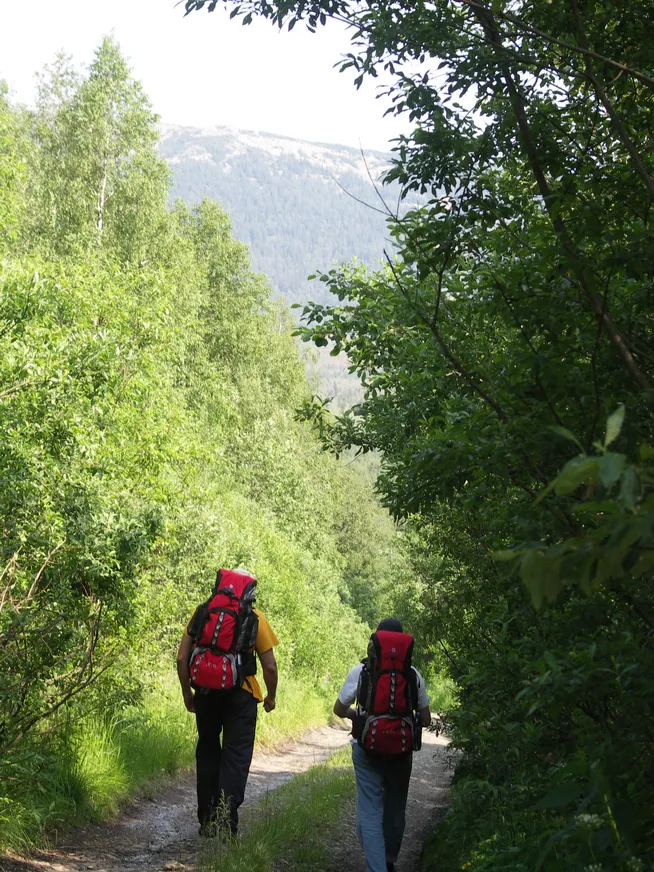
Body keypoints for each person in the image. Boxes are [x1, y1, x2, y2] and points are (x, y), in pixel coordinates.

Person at [177, 568, 278, 837]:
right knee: (236, 755)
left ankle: (207, 819)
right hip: (242, 695)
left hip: (206, 694)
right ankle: (226, 819)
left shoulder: (203, 610)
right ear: (248, 590)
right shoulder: (255, 618)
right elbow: (269, 666)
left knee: (208, 750)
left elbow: (181, 658)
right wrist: (271, 696)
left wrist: (188, 693)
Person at [334, 618, 431, 872]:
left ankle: (376, 868)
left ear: (375, 642)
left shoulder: (361, 671)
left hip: (367, 749)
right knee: (396, 808)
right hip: (401, 751)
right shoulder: (413, 674)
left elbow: (339, 708)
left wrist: (356, 715)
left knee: (369, 810)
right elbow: (427, 718)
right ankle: (388, 862)